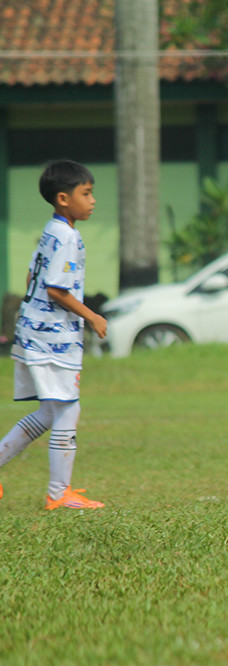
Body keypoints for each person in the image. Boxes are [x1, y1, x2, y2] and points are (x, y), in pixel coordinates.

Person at [0, 159, 107, 509]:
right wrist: (92, 316)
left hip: (34, 331)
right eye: (86, 193)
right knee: (67, 410)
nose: (92, 201)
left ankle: (58, 491)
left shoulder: (51, 230)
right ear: (63, 198)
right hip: (53, 336)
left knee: (49, 413)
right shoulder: (66, 236)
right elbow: (55, 290)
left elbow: (32, 278)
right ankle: (59, 494)